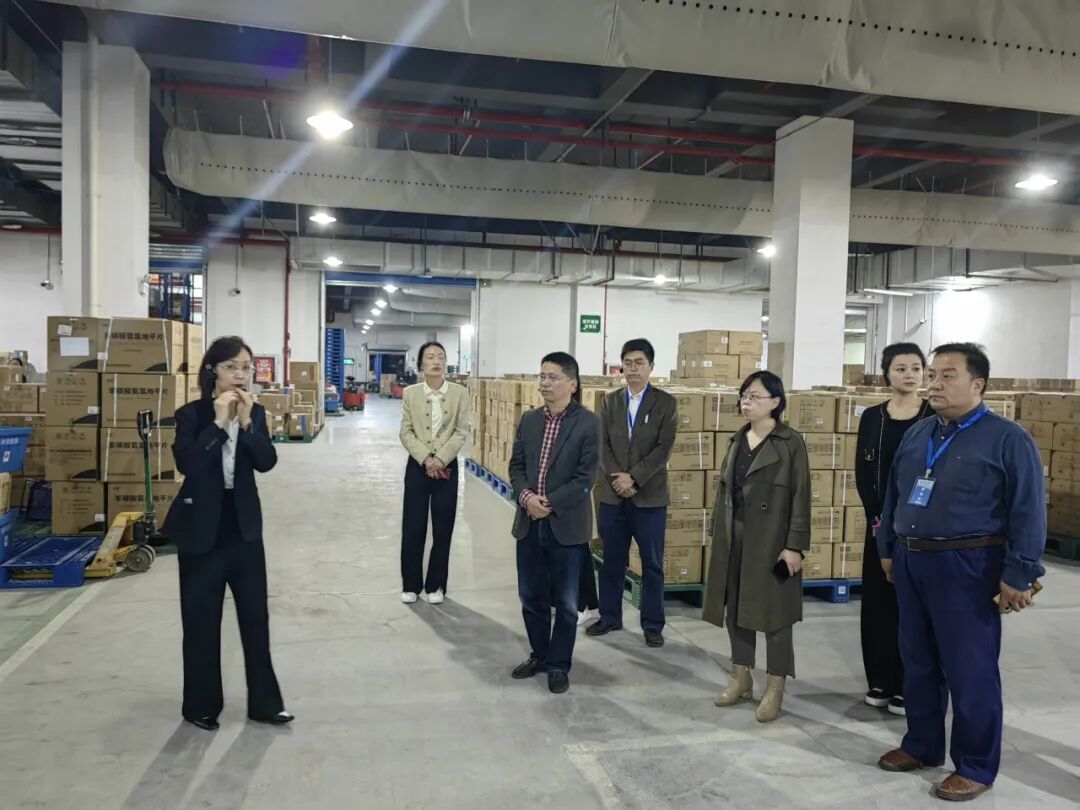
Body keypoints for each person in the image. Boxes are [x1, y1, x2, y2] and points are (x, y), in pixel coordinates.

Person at [875, 343, 1046, 802]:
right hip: (912, 559)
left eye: (947, 375)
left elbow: (1028, 510)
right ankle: (922, 744)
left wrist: (1019, 573)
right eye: (932, 374)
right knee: (918, 661)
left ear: (978, 384)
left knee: (970, 668)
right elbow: (895, 494)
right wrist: (887, 548)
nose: (934, 383)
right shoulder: (919, 434)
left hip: (968, 565)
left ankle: (975, 765)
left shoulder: (1007, 439)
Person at [163, 336, 292, 731]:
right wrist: (219, 422)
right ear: (212, 372)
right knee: (201, 621)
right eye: (231, 367)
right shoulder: (191, 415)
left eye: (246, 367)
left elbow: (267, 462)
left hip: (244, 530)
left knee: (255, 619)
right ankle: (200, 706)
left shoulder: (257, 413)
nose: (240, 374)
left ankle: (265, 704)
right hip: (202, 531)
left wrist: (248, 424)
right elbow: (189, 464)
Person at [702, 371, 810, 723]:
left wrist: (794, 546)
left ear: (775, 402)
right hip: (734, 536)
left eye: (755, 396)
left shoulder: (790, 442)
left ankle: (775, 686)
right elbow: (725, 492)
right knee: (735, 609)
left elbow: (801, 496)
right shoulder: (737, 440)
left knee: (776, 616)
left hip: (772, 540)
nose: (746, 402)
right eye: (744, 396)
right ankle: (741, 676)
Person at [509, 352, 600, 694]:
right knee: (531, 596)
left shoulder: (589, 424)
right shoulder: (530, 420)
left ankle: (559, 664)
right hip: (530, 522)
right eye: (542, 376)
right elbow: (516, 466)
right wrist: (527, 499)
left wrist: (548, 503)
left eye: (552, 377)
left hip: (566, 525)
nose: (545, 383)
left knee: (565, 602)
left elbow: (585, 478)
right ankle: (540, 654)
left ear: (572, 385)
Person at [855, 343, 933, 717]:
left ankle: (907, 683)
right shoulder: (873, 417)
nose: (909, 374)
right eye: (901, 368)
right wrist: (878, 518)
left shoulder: (934, 416)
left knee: (912, 606)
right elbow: (863, 470)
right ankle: (880, 680)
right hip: (880, 526)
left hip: (919, 527)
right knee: (878, 603)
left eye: (916, 367)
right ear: (887, 373)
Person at [587, 339, 678, 647]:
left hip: (649, 497)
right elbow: (602, 444)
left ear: (651, 367)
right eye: (628, 363)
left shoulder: (665, 403)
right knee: (611, 560)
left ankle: (652, 624)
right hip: (613, 496)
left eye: (639, 363)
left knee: (652, 564)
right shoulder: (610, 402)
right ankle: (609, 616)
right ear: (621, 368)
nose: (633, 368)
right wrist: (618, 478)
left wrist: (634, 478)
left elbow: (663, 448)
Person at [398, 341, 470, 605]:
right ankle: (411, 585)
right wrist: (426, 458)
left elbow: (461, 431)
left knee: (443, 527)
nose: (436, 361)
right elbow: (405, 431)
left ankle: (436, 585)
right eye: (430, 357)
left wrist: (441, 458)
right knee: (413, 526)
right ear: (421, 365)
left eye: (440, 356)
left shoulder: (460, 393)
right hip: (418, 467)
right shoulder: (410, 394)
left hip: (446, 467)